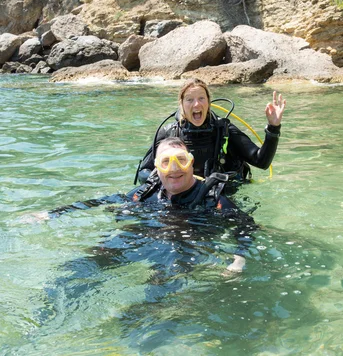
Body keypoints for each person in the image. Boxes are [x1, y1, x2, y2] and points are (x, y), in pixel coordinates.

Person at [26, 137, 247, 272]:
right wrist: (53, 213)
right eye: (165, 162)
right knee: (84, 265)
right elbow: (104, 201)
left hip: (183, 250)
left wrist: (239, 259)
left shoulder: (213, 199)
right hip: (143, 238)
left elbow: (246, 227)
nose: (174, 168)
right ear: (156, 169)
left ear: (191, 163)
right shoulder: (146, 193)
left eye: (180, 160)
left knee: (159, 293)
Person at [137, 78, 286, 185]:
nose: (196, 104)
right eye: (189, 99)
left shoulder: (224, 130)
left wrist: (273, 127)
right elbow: (143, 171)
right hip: (181, 198)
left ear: (208, 102)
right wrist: (159, 178)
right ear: (181, 104)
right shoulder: (169, 133)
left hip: (220, 199)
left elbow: (262, 161)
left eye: (201, 98)